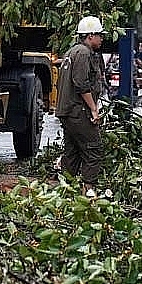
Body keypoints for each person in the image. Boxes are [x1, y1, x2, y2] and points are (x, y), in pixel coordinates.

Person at [55, 16, 107, 197]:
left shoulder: (72, 52)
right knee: (94, 148)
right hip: (78, 111)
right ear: (91, 35)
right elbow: (81, 84)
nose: (101, 39)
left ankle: (65, 189)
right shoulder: (84, 54)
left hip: (68, 111)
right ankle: (89, 189)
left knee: (73, 150)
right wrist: (93, 108)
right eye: (100, 35)